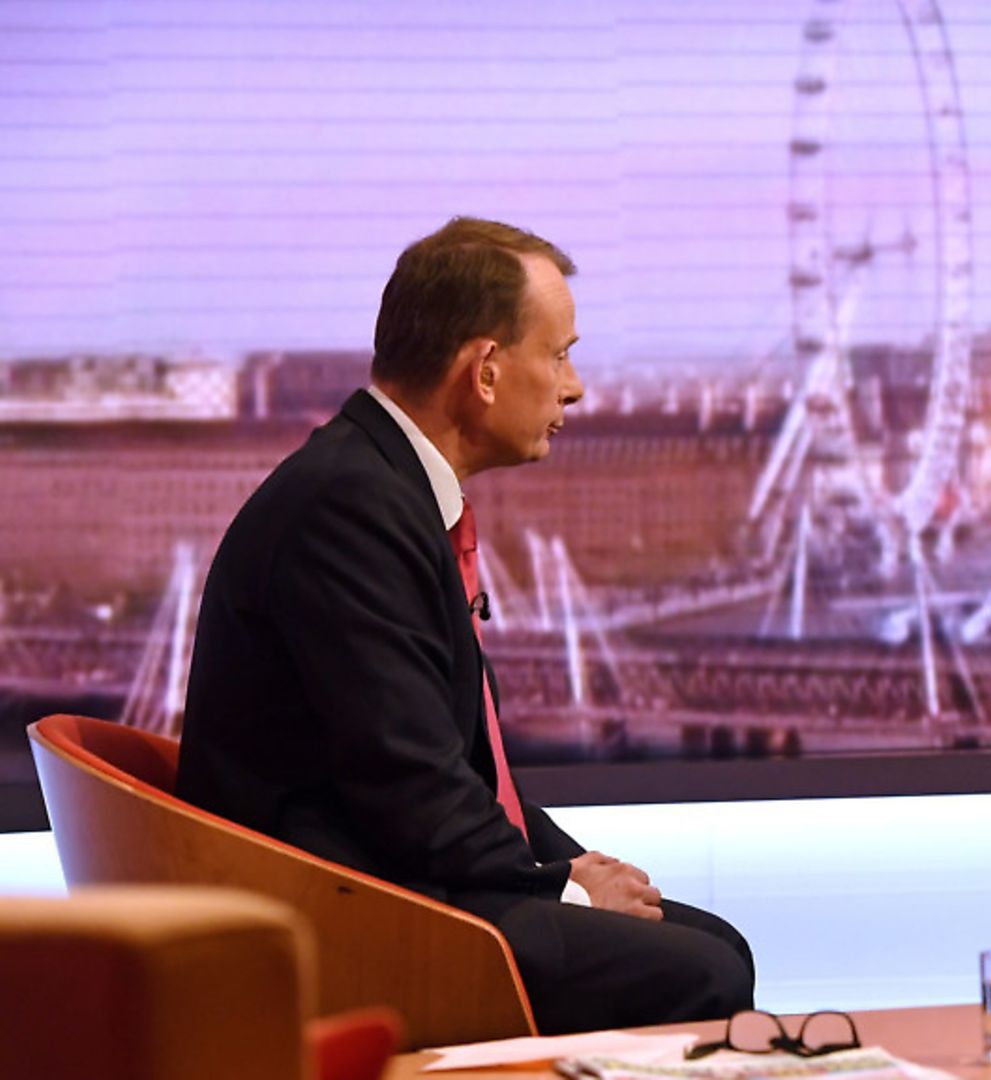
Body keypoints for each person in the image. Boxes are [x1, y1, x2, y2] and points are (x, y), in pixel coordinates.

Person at [177, 217, 754, 1034]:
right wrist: (563, 886)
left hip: (396, 878)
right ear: (485, 370)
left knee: (712, 944)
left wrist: (569, 867)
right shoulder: (349, 508)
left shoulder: (383, 489)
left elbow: (463, 773)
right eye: (558, 355)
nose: (575, 387)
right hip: (353, 912)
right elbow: (409, 781)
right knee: (703, 969)